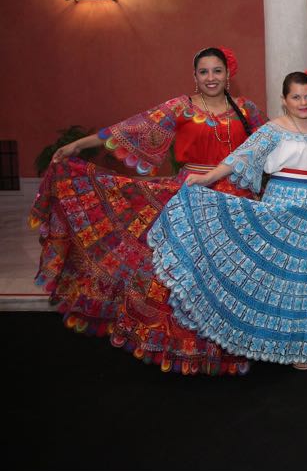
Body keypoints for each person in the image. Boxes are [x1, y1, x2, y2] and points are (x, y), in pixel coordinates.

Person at [30, 46, 264, 375]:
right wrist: (76, 145)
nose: (211, 78)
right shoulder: (180, 107)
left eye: (217, 71)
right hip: (191, 199)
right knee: (190, 273)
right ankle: (191, 348)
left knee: (233, 276)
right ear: (195, 77)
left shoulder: (246, 109)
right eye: (204, 72)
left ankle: (236, 346)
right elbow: (127, 129)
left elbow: (274, 143)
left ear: (229, 74)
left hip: (239, 204)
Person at [149, 70, 307, 369]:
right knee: (284, 278)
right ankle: (287, 344)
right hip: (283, 206)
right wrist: (207, 178)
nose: (303, 102)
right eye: (296, 96)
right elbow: (239, 157)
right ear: (284, 101)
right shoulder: (274, 129)